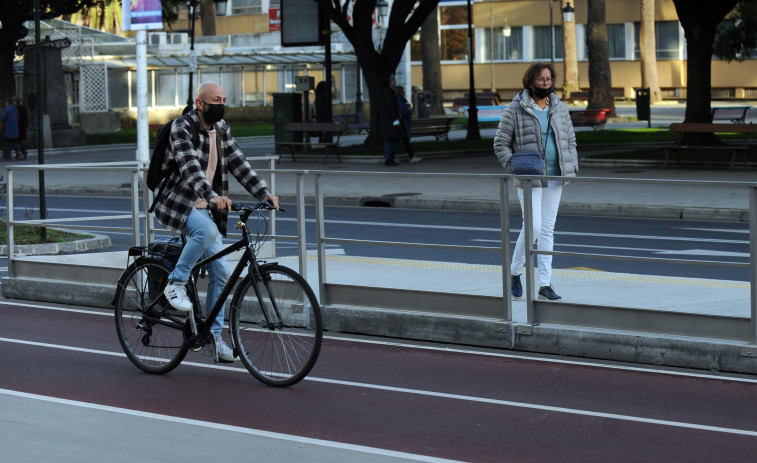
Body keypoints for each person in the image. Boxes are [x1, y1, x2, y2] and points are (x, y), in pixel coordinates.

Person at [155, 81, 279, 362]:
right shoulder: (182, 128)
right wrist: (211, 195)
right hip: (178, 202)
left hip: (205, 204)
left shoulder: (221, 129)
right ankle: (175, 282)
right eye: (215, 100)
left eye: (224, 99)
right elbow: (189, 167)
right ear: (200, 103)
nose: (221, 104)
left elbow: (239, 163)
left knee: (221, 273)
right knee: (206, 231)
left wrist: (264, 192)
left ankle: (213, 337)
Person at [493, 63, 578, 301]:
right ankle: (514, 272)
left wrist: (572, 164)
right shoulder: (516, 108)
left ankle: (545, 284)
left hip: (555, 175)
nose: (546, 83)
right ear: (530, 82)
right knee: (534, 226)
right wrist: (515, 168)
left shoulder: (559, 108)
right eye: (541, 79)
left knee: (548, 229)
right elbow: (500, 143)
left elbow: (570, 140)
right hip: (529, 177)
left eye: (549, 79)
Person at [395, 86, 421, 164]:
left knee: (403, 141)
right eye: (403, 91)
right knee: (405, 140)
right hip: (403, 123)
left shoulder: (399, 101)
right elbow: (405, 112)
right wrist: (409, 110)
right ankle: (411, 156)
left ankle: (410, 156)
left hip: (401, 123)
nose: (404, 93)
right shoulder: (400, 101)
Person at [379, 76, 401, 166]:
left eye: (395, 81)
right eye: (393, 81)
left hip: (389, 119)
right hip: (390, 120)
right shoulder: (388, 93)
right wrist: (396, 118)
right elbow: (390, 106)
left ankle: (390, 157)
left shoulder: (390, 93)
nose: (394, 83)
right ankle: (389, 158)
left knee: (394, 138)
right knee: (392, 138)